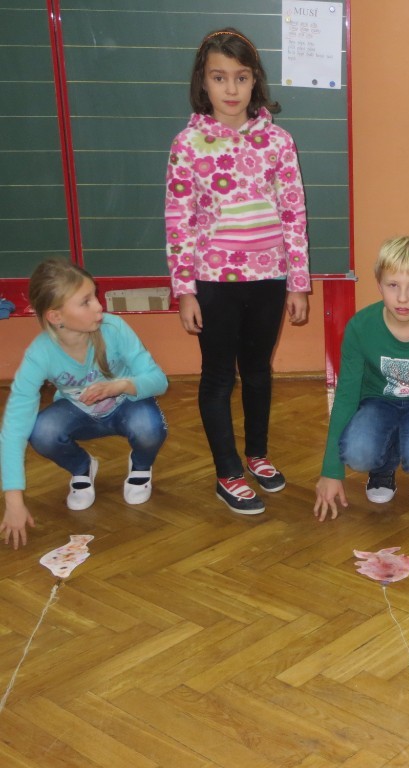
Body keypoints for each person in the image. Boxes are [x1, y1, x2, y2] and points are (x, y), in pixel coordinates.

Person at [165, 28, 310, 515]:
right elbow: (179, 221)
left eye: (241, 77)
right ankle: (227, 472)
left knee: (258, 371)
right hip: (214, 283)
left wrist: (298, 283)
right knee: (218, 377)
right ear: (203, 82)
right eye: (219, 77)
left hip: (269, 279)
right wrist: (185, 290)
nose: (231, 88)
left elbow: (293, 214)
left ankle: (257, 455)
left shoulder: (279, 142)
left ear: (254, 81)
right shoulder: (188, 144)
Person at [1, 259, 168, 549]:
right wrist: (13, 501)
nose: (99, 306)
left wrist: (120, 386)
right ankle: (82, 467)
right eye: (86, 301)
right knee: (41, 432)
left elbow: (158, 381)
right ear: (56, 316)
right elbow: (14, 427)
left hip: (126, 405)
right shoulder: (40, 353)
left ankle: (141, 466)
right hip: (79, 413)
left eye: (95, 296)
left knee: (149, 427)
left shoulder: (114, 328)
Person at [313, 237, 409, 523]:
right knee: (357, 452)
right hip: (378, 402)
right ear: (379, 284)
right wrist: (330, 471)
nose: (402, 298)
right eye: (393, 285)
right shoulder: (360, 327)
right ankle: (383, 467)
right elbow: (346, 397)